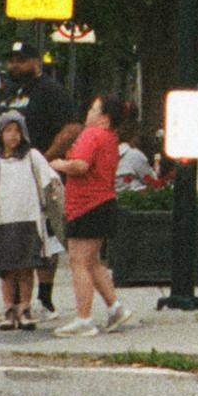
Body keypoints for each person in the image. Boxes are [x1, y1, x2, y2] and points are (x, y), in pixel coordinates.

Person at [51, 95, 135, 337]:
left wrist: (60, 164)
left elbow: (81, 165)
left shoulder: (92, 134)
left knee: (79, 261)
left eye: (93, 108)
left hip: (86, 205)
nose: (88, 111)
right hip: (103, 203)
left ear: (104, 118)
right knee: (92, 261)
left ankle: (83, 318)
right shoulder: (110, 138)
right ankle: (115, 308)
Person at [0, 107, 59, 334]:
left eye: (17, 130)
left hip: (30, 219)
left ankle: (24, 307)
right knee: (7, 269)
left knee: (26, 268)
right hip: (4, 221)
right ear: (0, 134)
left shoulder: (33, 157)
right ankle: (8, 308)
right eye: (8, 130)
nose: (13, 136)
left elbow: (50, 180)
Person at [7, 46, 77, 311]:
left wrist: (45, 158)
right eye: (12, 61)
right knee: (13, 233)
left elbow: (71, 128)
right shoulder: (10, 92)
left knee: (47, 235)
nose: (15, 65)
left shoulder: (51, 90)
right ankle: (15, 298)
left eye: (21, 60)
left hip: (41, 175)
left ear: (36, 61)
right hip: (11, 173)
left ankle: (44, 298)